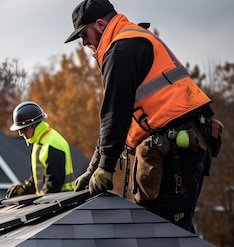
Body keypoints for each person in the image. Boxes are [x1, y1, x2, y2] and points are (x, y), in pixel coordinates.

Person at [65, 0, 218, 233]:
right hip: (183, 144)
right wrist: (93, 166)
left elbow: (115, 113)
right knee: (172, 231)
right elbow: (114, 117)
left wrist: (105, 167)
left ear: (99, 24)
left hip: (176, 149)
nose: (84, 42)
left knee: (167, 233)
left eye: (83, 35)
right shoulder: (132, 40)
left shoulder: (121, 49)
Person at [6, 101, 75, 198]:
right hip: (49, 203)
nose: (20, 133)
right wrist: (26, 188)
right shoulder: (40, 141)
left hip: (62, 203)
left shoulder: (52, 144)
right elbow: (40, 176)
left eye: (23, 129)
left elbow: (54, 185)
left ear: (32, 125)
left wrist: (42, 205)